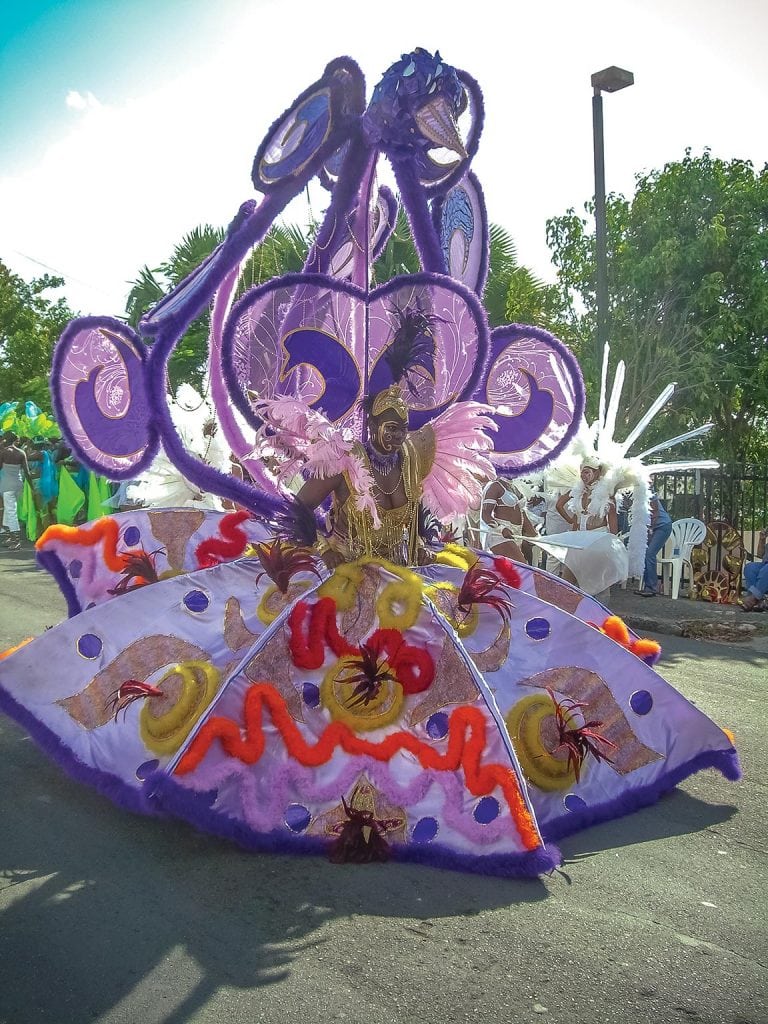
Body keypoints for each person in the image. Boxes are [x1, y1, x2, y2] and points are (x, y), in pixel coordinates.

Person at [291, 385, 441, 568]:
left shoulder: (411, 461)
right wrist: (324, 550)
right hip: (346, 568)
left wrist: (420, 546)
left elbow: (415, 517)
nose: (399, 436)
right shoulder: (345, 460)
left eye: (404, 429)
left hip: (397, 569)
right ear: (372, 426)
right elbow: (297, 508)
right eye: (392, 428)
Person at [531, 459, 628, 595]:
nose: (583, 476)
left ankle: (595, 607)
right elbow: (560, 504)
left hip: (597, 540)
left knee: (596, 582)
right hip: (578, 539)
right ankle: (567, 605)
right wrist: (572, 523)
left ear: (597, 472)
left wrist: (613, 543)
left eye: (587, 472)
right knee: (569, 579)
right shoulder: (578, 489)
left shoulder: (606, 493)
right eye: (582, 472)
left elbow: (612, 519)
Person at [479, 477, 538, 563]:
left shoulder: (514, 486)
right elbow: (485, 515)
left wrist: (533, 533)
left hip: (516, 533)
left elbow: (522, 512)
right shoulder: (495, 485)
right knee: (520, 566)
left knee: (512, 568)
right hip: (500, 535)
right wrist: (501, 529)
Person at [634, 490, 673, 597]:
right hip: (652, 526)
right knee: (645, 554)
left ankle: (652, 588)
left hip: (662, 526)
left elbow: (654, 512)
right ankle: (648, 586)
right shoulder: (633, 495)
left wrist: (650, 529)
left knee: (650, 553)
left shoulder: (648, 491)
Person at [0, 431, 31, 550]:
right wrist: (32, 488)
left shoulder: (4, 452)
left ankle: (16, 540)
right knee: (9, 510)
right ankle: (10, 536)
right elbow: (27, 472)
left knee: (11, 511)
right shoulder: (21, 452)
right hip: (18, 484)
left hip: (7, 485)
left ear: (5, 439)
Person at [742, 528, 767, 612]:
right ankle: (759, 601)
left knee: (766, 569)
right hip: (765, 565)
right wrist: (762, 539)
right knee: (750, 568)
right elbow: (760, 554)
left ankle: (753, 599)